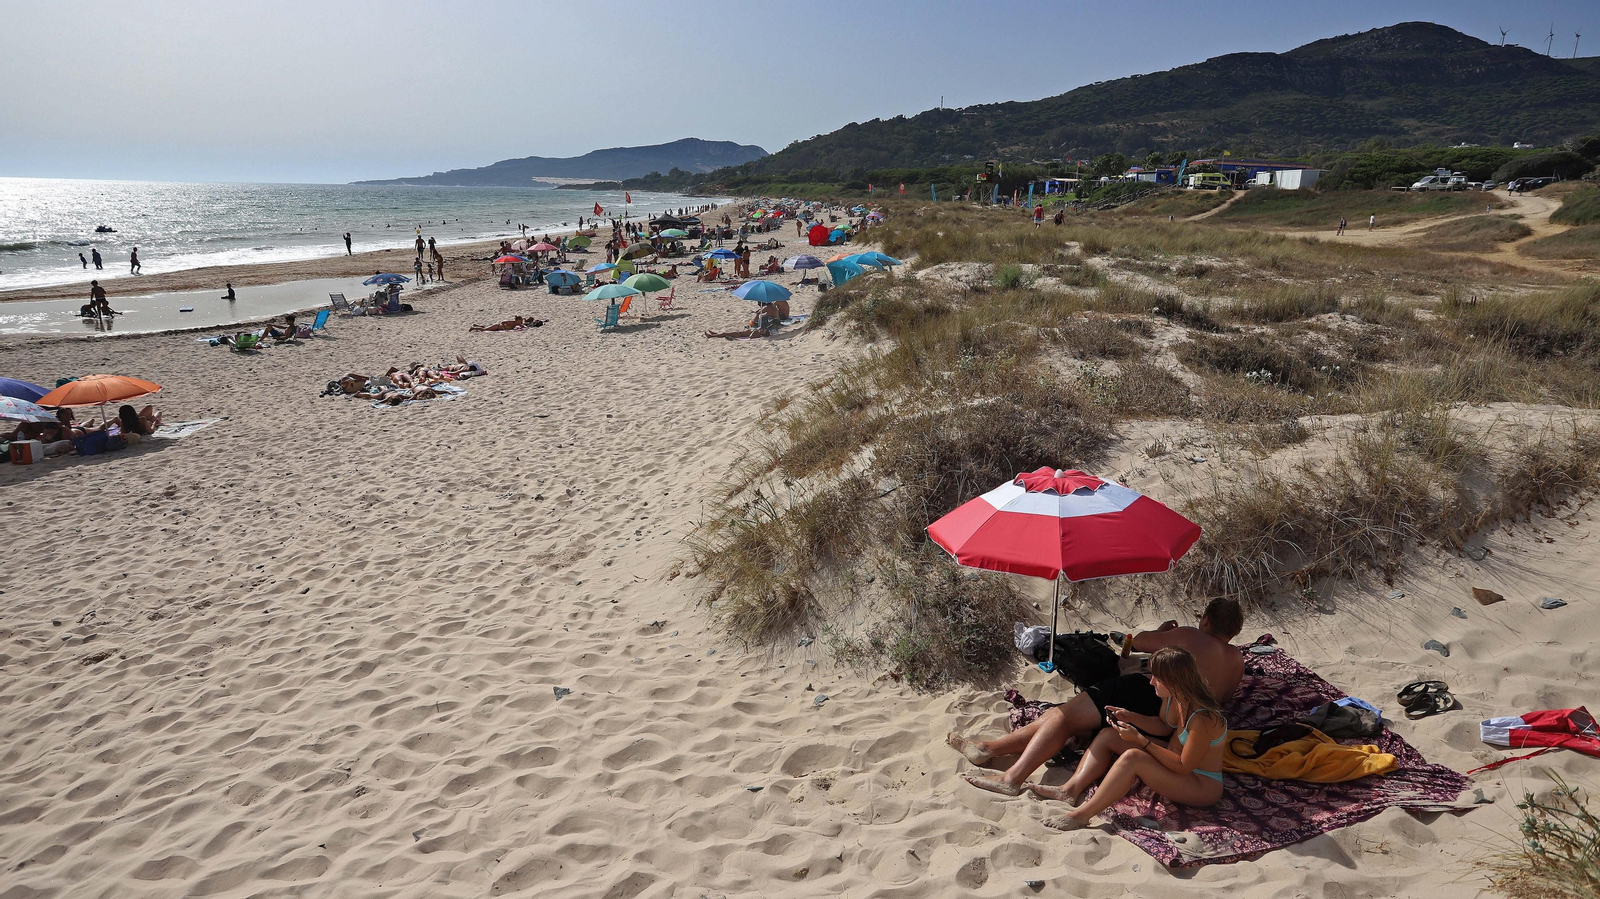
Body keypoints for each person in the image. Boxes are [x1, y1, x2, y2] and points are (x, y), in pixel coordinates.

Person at [949, 597, 1244, 797]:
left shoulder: (1193, 636)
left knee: (1065, 716)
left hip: (1154, 698)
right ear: (1234, 631)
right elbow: (1223, 699)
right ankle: (989, 749)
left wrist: (1161, 632)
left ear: (1206, 621)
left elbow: (1135, 642)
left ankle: (1011, 778)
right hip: (1180, 724)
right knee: (1061, 716)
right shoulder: (1237, 661)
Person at [1029, 647, 1228, 832]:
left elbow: (1184, 766)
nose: (1151, 681)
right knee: (1110, 734)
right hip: (1174, 757)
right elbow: (1164, 726)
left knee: (1133, 758)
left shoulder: (1202, 718)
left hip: (1201, 783)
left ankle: (1082, 815)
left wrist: (1142, 741)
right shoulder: (1176, 698)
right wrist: (1131, 716)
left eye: (1157, 677)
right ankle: (1069, 790)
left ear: (1173, 680)